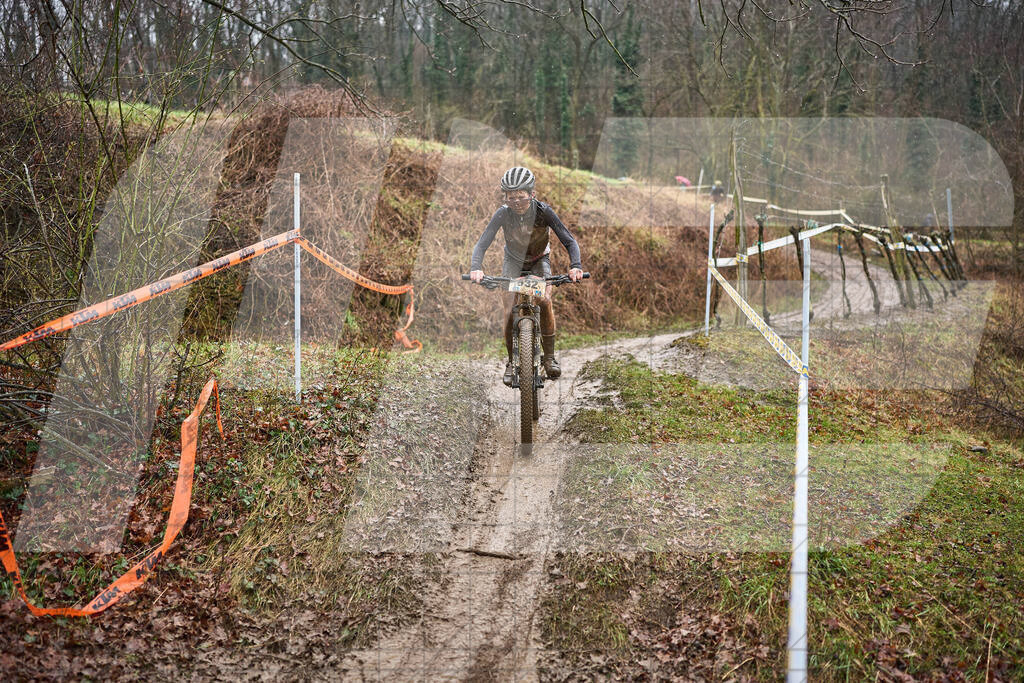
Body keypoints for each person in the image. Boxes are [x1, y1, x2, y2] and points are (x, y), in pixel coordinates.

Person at [469, 166, 584, 386]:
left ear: (531, 195)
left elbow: (569, 240)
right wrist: (476, 267)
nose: (517, 204)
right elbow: (482, 242)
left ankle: (549, 358)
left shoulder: (544, 212)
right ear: (506, 198)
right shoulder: (503, 213)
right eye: (511, 199)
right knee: (509, 308)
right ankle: (512, 362)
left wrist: (575, 266)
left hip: (540, 261)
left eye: (521, 198)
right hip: (512, 262)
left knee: (544, 300)